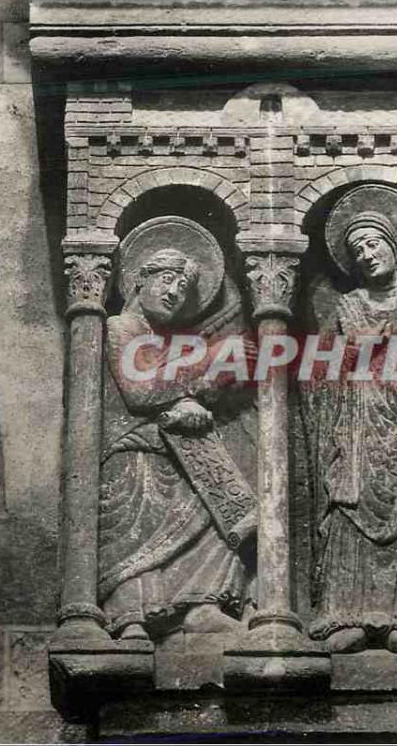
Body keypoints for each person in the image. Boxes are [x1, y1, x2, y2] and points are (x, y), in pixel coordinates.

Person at [303, 187, 397, 655]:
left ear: (396, 247)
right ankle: (347, 613)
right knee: (350, 506)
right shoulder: (345, 310)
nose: (367, 255)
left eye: (374, 244)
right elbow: (316, 373)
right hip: (357, 426)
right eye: (358, 250)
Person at [98, 216, 255, 641]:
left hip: (168, 447)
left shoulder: (157, 340)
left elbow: (168, 386)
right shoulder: (120, 328)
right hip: (132, 452)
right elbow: (139, 391)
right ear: (139, 280)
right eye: (167, 280)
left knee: (218, 502)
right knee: (144, 509)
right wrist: (205, 367)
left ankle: (199, 603)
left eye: (182, 289)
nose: (174, 293)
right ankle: (130, 611)